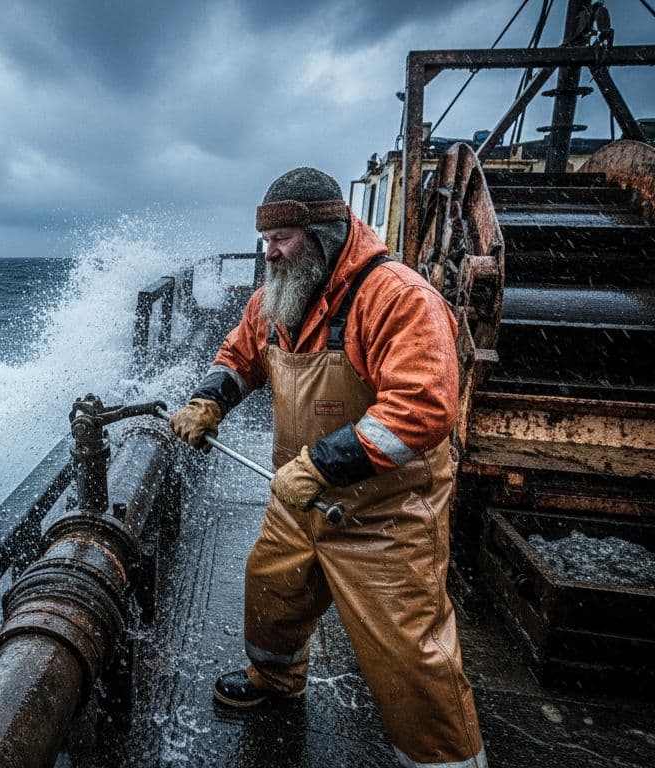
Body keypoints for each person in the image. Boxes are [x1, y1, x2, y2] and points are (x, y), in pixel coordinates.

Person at [169, 167, 486, 767]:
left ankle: (447, 760)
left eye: (282, 238)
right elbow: (241, 355)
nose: (269, 251)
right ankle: (275, 680)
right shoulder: (275, 299)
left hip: (384, 515)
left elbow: (423, 406)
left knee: (409, 656)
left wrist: (321, 463)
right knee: (272, 594)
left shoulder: (397, 297)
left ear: (326, 234)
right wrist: (209, 398)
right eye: (265, 238)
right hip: (298, 499)